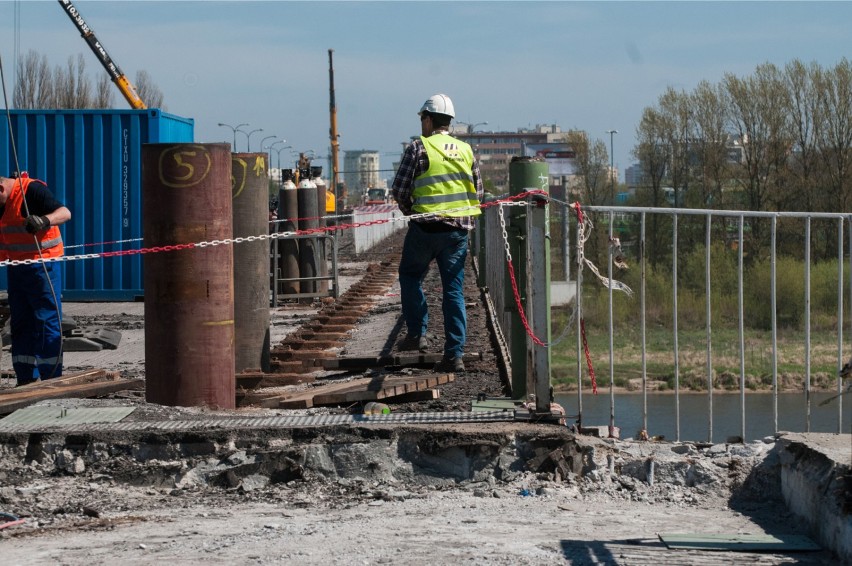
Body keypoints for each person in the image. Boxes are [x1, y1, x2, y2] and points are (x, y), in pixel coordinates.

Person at [391, 93, 484, 373]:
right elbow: (478, 193)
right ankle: (454, 355)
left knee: (409, 275)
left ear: (428, 120)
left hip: (425, 228)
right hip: (456, 232)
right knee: (453, 290)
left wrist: (412, 212)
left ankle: (418, 333)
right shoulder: (466, 151)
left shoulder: (419, 148)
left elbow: (400, 189)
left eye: (422, 119)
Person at [0, 174, 71, 386]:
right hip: (16, 267)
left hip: (43, 266)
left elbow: (65, 213)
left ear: (1, 188)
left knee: (46, 320)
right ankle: (25, 378)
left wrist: (43, 220)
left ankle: (50, 378)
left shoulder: (31, 191)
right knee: (21, 323)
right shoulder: (3, 201)